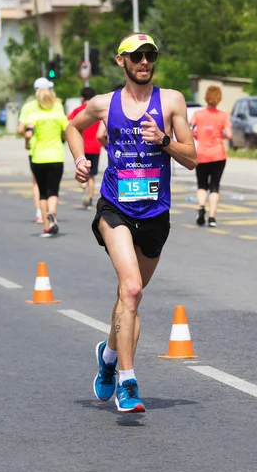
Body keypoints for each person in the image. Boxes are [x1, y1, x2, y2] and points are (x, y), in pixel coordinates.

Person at [65, 32, 197, 413]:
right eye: (137, 56)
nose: (144, 63)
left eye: (150, 56)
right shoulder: (104, 104)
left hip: (155, 214)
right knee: (133, 290)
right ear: (121, 61)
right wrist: (78, 160)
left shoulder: (171, 101)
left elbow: (192, 159)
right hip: (115, 208)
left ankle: (107, 357)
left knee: (128, 298)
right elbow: (73, 127)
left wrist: (165, 140)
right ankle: (128, 381)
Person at [23, 82, 68, 237]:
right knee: (53, 190)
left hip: (38, 157)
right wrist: (62, 139)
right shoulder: (59, 115)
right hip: (56, 155)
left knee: (42, 192)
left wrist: (28, 144)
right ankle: (53, 213)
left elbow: (28, 134)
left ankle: (46, 226)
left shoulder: (34, 116)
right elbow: (67, 131)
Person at [190, 85, 232, 228]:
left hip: (201, 154)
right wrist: (220, 135)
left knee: (201, 185)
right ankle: (212, 217)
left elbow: (190, 129)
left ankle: (201, 206)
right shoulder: (223, 115)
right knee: (214, 186)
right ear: (219, 98)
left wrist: (197, 135)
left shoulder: (198, 114)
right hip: (218, 154)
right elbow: (229, 134)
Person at [17, 78, 55, 224]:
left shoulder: (28, 107)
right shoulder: (55, 104)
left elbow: (20, 128)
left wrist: (28, 135)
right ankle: (51, 212)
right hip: (55, 150)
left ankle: (40, 212)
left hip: (35, 149)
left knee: (37, 183)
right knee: (53, 186)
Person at [67, 87, 105, 209]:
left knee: (83, 173)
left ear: (82, 97)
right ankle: (89, 198)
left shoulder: (78, 110)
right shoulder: (98, 110)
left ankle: (84, 187)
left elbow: (69, 124)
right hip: (96, 147)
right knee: (92, 175)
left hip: (82, 148)